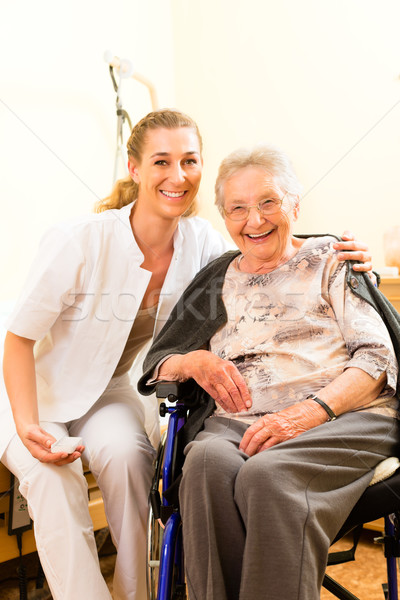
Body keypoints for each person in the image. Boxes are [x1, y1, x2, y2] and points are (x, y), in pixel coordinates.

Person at [0, 109, 373, 600]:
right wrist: (27, 424)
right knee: (53, 478)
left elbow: (262, 240)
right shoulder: (80, 240)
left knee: (132, 460)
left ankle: (137, 594)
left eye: (190, 161)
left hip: (108, 391)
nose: (178, 176)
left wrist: (339, 252)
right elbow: (18, 340)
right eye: (161, 162)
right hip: (32, 390)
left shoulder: (202, 244)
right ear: (134, 169)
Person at [139, 144, 399, 600]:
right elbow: (163, 359)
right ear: (225, 217)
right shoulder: (217, 278)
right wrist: (192, 360)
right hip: (237, 421)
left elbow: (378, 360)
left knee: (268, 475)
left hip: (345, 417)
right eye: (238, 208)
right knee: (202, 463)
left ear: (295, 206)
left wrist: (309, 412)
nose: (254, 220)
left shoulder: (333, 261)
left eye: (268, 203)